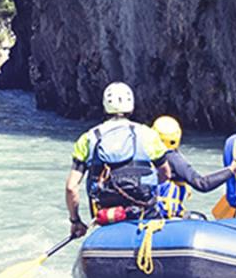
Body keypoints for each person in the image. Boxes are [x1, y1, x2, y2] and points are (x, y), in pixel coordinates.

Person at [65, 81, 167, 237]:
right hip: (144, 212)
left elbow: (71, 187)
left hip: (105, 214)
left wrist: (75, 221)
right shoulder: (148, 134)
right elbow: (165, 173)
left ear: (105, 106)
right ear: (131, 106)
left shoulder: (87, 138)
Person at [149, 115, 236, 219]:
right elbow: (202, 184)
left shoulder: (148, 155)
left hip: (150, 213)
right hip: (167, 216)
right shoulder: (172, 158)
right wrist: (231, 170)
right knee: (201, 218)